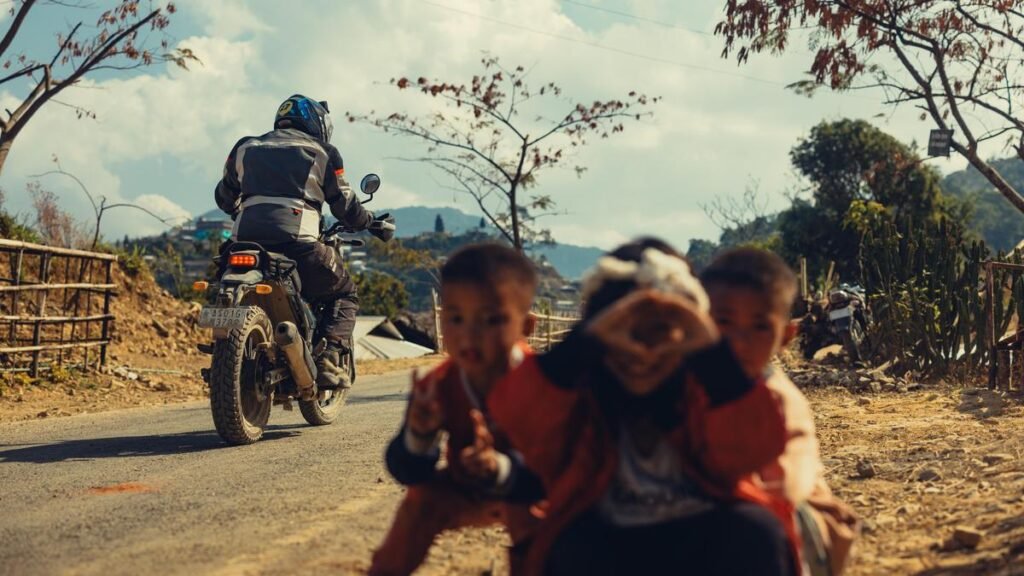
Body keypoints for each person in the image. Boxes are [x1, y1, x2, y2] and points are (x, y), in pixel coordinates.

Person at [487, 238, 799, 576]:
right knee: (572, 547)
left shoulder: (702, 392)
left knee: (757, 532)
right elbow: (520, 422)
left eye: (660, 332)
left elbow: (751, 450)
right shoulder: (582, 399)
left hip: (699, 532)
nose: (642, 351)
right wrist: (580, 346)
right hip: (607, 539)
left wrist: (713, 353)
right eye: (625, 333)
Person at [369, 243, 546, 576]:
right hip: (465, 488)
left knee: (540, 524)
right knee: (422, 501)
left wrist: (500, 468)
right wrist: (419, 436)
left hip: (531, 491)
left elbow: (556, 470)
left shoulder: (542, 383)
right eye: (456, 318)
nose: (469, 336)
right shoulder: (437, 385)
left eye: (491, 320)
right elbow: (406, 471)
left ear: (526, 326)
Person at [213, 94, 394, 391]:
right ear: (318, 124)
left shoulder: (245, 146)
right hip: (297, 245)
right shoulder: (323, 152)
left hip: (242, 243)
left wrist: (246, 208)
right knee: (344, 293)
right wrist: (369, 221)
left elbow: (224, 197)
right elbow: (345, 205)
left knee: (218, 277)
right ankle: (329, 359)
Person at [701, 247, 858, 576]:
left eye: (760, 326)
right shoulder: (690, 384)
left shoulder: (781, 400)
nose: (739, 341)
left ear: (785, 337)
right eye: (724, 321)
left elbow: (785, 487)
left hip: (785, 520)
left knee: (753, 529)